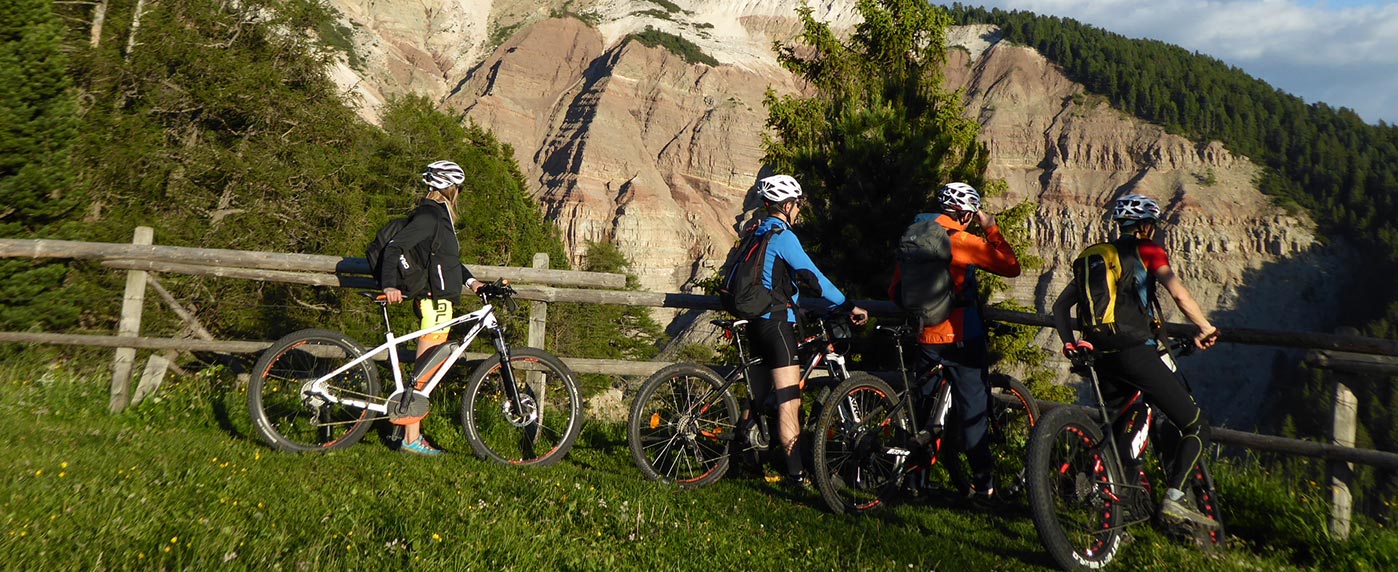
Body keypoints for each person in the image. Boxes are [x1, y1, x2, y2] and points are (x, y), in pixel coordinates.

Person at [1051, 193, 1221, 529]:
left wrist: (1069, 345)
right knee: (1195, 424)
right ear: (1145, 226)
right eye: (1152, 226)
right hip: (1136, 353)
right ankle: (1173, 500)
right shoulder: (1147, 250)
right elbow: (1178, 292)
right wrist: (1205, 327)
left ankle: (1120, 511)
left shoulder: (1099, 257)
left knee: (1123, 425)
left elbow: (1059, 307)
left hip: (1100, 355)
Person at [888, 182, 1022, 499]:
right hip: (960, 337)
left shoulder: (914, 234)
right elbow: (1011, 266)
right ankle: (984, 484)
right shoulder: (960, 240)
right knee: (973, 409)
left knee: (923, 412)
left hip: (924, 334)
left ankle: (914, 483)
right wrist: (991, 228)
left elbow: (895, 290)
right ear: (965, 213)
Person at [743, 174, 869, 488]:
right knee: (790, 402)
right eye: (797, 204)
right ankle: (796, 475)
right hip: (776, 325)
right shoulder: (783, 235)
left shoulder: (757, 230)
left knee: (757, 398)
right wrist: (846, 304)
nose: (799, 209)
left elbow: (777, 280)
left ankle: (741, 458)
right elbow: (813, 276)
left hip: (755, 322)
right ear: (786, 205)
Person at [381, 160, 484, 456]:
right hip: (436, 304)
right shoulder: (430, 217)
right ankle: (411, 439)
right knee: (424, 374)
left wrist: (472, 282)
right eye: (459, 188)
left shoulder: (438, 217)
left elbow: (446, 261)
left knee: (424, 371)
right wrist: (390, 284)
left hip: (441, 301)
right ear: (451, 189)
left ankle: (408, 433)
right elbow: (394, 248)